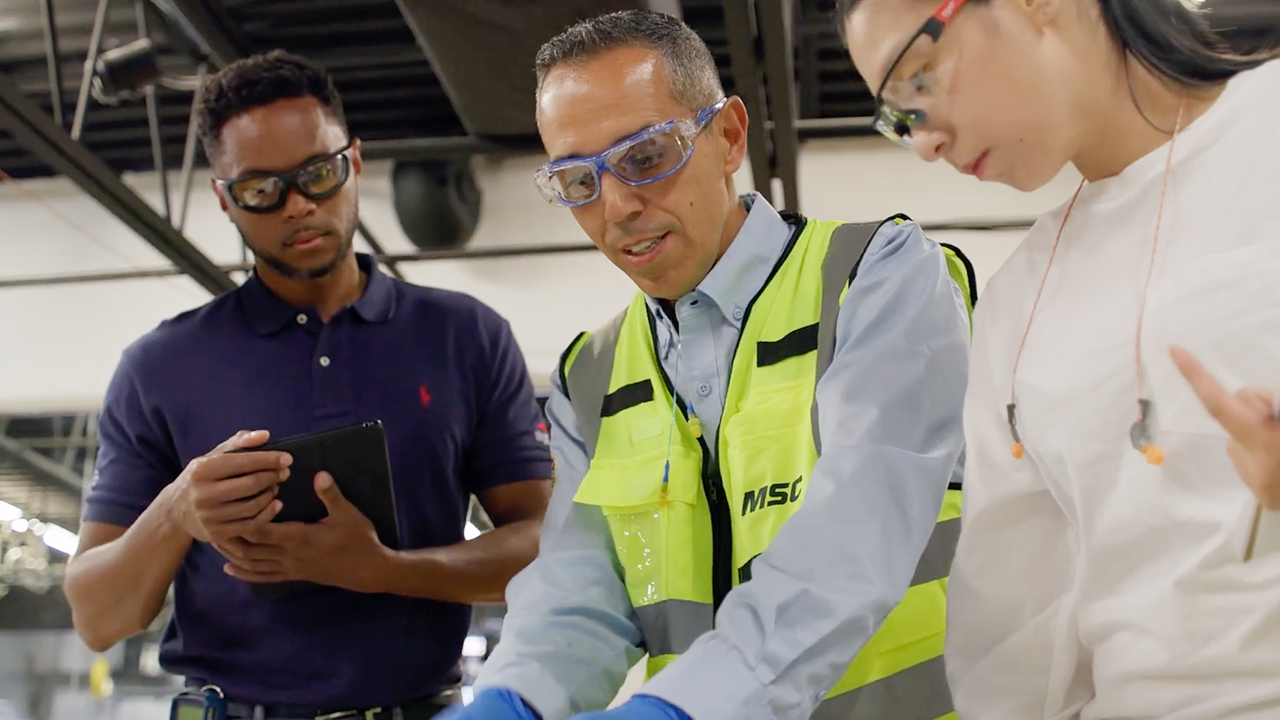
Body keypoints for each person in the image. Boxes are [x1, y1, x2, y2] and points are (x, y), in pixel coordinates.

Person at [442, 10, 973, 720]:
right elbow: (580, 590)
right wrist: (512, 696)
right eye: (577, 181)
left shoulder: (872, 280)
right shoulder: (591, 376)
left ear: (727, 137)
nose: (618, 207)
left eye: (645, 157)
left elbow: (857, 533)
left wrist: (683, 708)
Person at [62, 50, 553, 720]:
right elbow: (96, 618)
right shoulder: (161, 366)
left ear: (353, 161)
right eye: (262, 190)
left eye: (318, 174)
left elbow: (546, 547)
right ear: (223, 200)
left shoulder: (464, 336)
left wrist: (385, 570)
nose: (299, 207)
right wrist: (177, 511)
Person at [840, 0, 1280, 717]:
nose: (921, 144)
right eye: (897, 118)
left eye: (917, 79)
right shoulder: (1018, 307)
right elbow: (1013, 650)